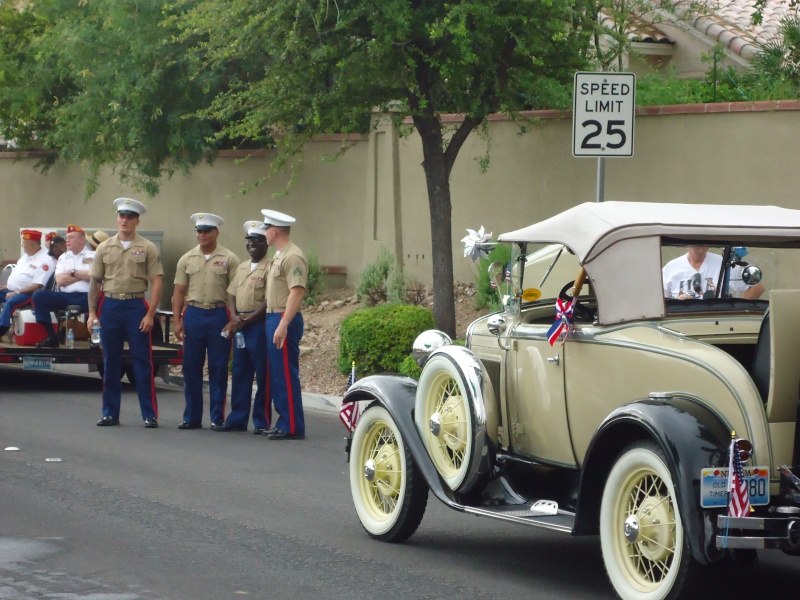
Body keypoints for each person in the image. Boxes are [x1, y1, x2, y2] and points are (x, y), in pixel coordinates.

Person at [87, 198, 163, 428]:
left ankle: (149, 414)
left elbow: (157, 281)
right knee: (110, 362)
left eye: (130, 217)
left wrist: (150, 314)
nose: (124, 220)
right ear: (117, 219)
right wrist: (92, 313)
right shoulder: (104, 247)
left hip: (135, 306)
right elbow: (95, 281)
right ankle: (110, 413)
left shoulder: (148, 247)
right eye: (121, 216)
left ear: (137, 221)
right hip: (109, 306)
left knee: (142, 361)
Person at [172, 213, 240, 430]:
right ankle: (191, 416)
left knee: (218, 368)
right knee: (191, 367)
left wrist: (233, 321)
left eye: (207, 231)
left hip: (219, 315)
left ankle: (216, 418)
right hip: (194, 315)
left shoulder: (229, 258)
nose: (202, 235)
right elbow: (179, 292)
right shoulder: (187, 259)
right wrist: (177, 321)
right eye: (199, 231)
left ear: (216, 232)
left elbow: (235, 293)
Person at [218, 221, 271, 433]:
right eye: (249, 241)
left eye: (256, 240)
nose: (251, 245)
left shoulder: (271, 267)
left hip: (258, 326)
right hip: (241, 326)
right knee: (240, 373)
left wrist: (247, 320)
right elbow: (231, 295)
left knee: (263, 373)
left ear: (266, 243)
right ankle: (237, 419)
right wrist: (234, 317)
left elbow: (269, 301)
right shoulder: (241, 268)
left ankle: (262, 421)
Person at [261, 209, 307, 440]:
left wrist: (283, 324)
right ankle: (285, 421)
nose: (264, 234)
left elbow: (296, 292)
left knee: (286, 373)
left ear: (274, 230)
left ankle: (291, 425)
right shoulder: (280, 255)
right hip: (273, 317)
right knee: (278, 373)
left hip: (282, 317)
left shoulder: (293, 256)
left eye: (266, 229)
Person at [31, 224, 95, 348]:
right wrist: (82, 275)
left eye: (71, 237)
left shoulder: (92, 256)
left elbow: (94, 276)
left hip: (87, 296)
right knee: (38, 296)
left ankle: (96, 339)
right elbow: (60, 280)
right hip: (65, 296)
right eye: (67, 237)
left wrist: (72, 272)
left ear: (82, 239)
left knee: (102, 300)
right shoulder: (64, 257)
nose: (67, 240)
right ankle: (51, 335)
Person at [0, 229, 56, 338]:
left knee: (12, 302)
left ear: (31, 244)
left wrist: (16, 292)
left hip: (29, 294)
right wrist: (6, 287)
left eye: (24, 242)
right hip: (12, 290)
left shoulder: (45, 260)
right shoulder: (24, 258)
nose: (22, 245)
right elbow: (20, 277)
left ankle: (3, 328)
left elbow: (37, 285)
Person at [662, 246, 765, 300]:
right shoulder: (671, 268)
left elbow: (757, 286)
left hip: (714, 322)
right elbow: (660, 302)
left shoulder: (722, 264)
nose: (703, 244)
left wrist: (740, 311)